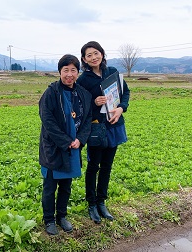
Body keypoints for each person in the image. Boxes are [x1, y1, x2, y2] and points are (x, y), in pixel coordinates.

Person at [77, 41, 130, 224]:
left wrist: (121, 109)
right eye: (89, 55)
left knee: (107, 166)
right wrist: (94, 103)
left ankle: (101, 202)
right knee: (94, 167)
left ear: (102, 53)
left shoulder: (112, 72)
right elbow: (80, 106)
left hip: (113, 124)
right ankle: (91, 204)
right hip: (96, 128)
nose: (93, 57)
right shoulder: (83, 80)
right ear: (84, 59)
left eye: (96, 53)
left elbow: (125, 93)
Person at [39, 54, 92, 235]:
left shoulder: (83, 94)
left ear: (78, 72)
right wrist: (65, 141)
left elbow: (87, 121)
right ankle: (48, 220)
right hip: (54, 148)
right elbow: (48, 121)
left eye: (73, 70)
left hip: (73, 148)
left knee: (66, 185)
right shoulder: (51, 93)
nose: (69, 74)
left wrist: (80, 140)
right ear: (60, 72)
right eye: (65, 70)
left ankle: (62, 216)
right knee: (50, 186)